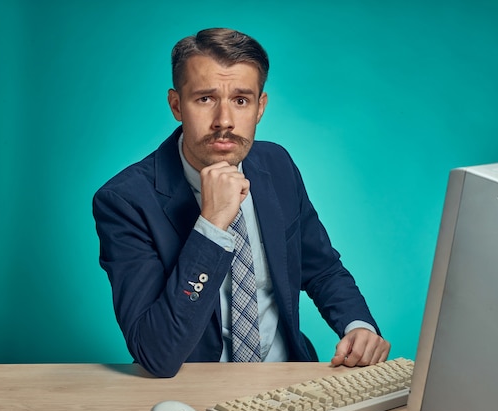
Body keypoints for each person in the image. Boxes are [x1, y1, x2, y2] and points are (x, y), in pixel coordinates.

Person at [92, 28, 390, 378]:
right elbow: (156, 352)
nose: (224, 121)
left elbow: (321, 268)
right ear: (176, 105)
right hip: (191, 391)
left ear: (260, 107)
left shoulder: (277, 165)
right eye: (205, 99)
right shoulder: (125, 201)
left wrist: (359, 327)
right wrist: (211, 224)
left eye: (241, 100)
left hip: (287, 381)